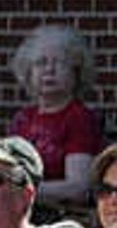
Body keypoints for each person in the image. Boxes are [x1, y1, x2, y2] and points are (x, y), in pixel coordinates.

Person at [8, 21, 110, 204]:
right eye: (41, 63)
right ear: (28, 72)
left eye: (59, 62)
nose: (49, 70)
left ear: (76, 72)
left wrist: (20, 192)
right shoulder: (22, 119)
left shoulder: (79, 118)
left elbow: (78, 187)